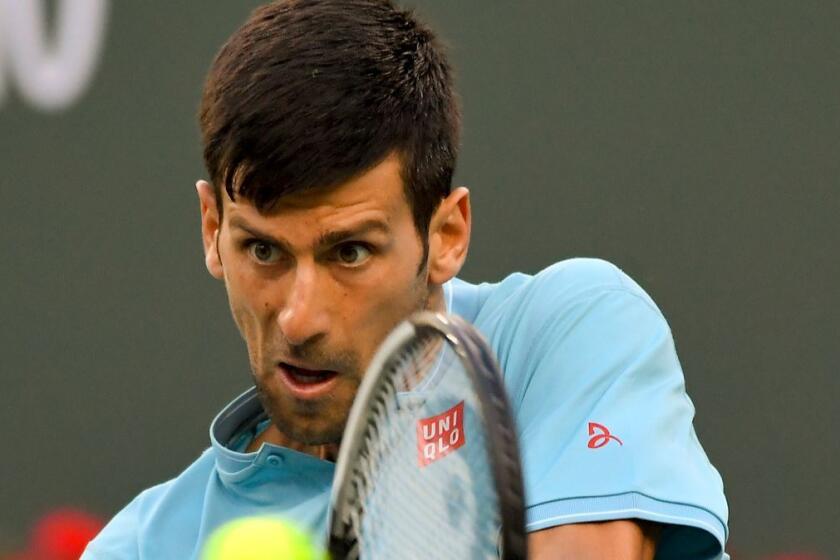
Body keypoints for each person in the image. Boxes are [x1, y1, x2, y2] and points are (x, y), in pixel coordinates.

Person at [83, 0, 728, 558]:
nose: (299, 318)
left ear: (446, 235)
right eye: (263, 250)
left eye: (351, 253)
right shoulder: (141, 548)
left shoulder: (567, 332)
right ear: (210, 230)